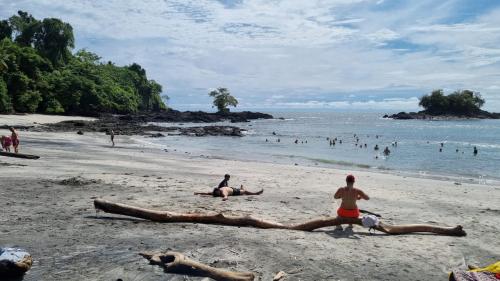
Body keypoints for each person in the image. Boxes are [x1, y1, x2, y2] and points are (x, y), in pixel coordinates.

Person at [195, 185, 264, 201]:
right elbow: (207, 193)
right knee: (244, 192)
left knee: (244, 191)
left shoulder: (222, 191)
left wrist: (224, 198)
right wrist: (198, 193)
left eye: (218, 193)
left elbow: (225, 196)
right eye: (217, 193)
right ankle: (255, 193)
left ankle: (255, 193)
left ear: (219, 190)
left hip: (232, 189)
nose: (218, 194)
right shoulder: (218, 192)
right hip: (233, 191)